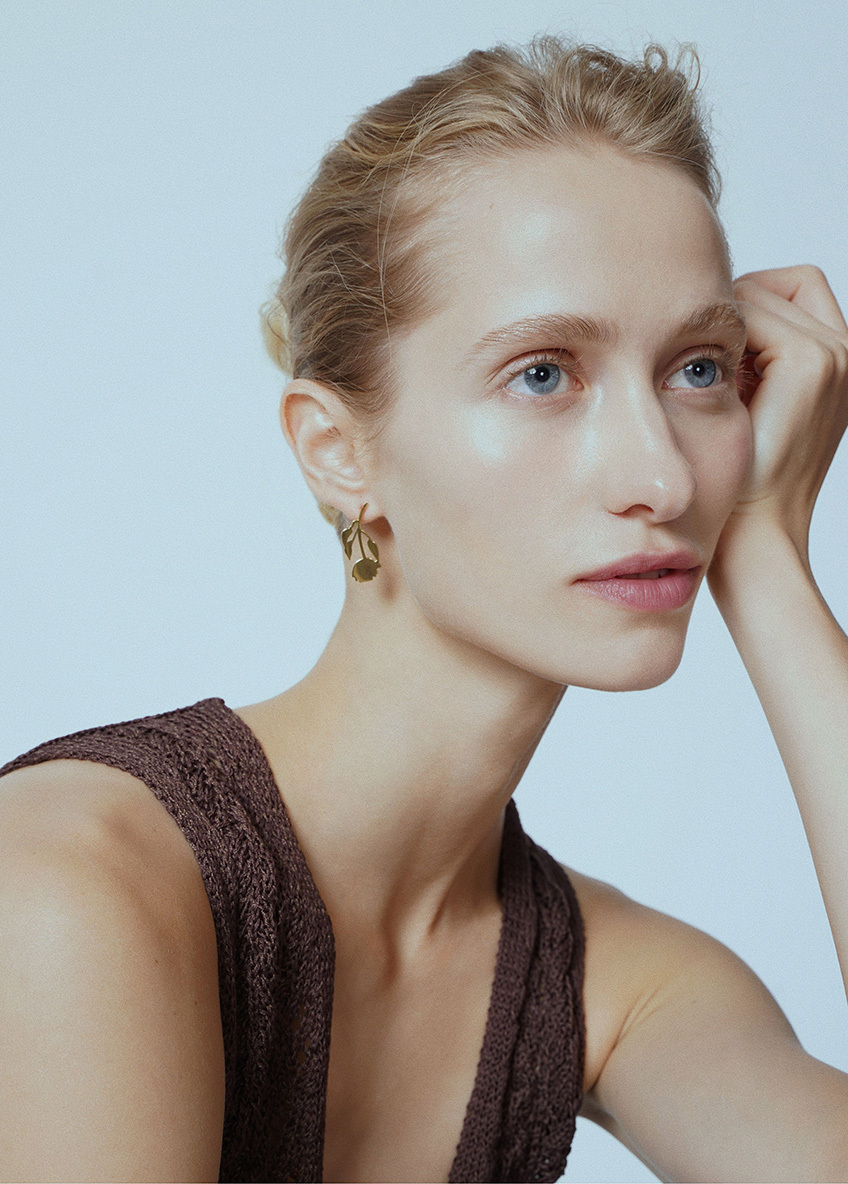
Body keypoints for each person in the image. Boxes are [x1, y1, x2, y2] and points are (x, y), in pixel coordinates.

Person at [1, 34, 847, 1184]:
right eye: (542, 372)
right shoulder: (73, 882)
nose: (660, 474)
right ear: (337, 449)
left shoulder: (622, 984)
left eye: (696, 368)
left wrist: (772, 560)